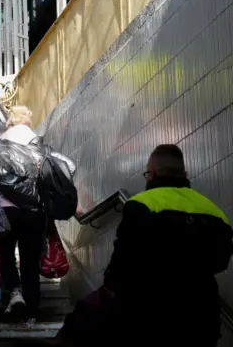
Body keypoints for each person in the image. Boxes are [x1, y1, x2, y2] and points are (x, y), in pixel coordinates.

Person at [60, 145, 233, 347]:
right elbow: (220, 262)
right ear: (184, 174)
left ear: (151, 174)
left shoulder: (141, 204)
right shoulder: (214, 211)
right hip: (201, 315)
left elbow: (122, 265)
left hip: (150, 316)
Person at [0, 106, 75, 321]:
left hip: (6, 212)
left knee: (6, 256)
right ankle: (32, 309)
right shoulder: (42, 149)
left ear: (9, 124)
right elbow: (70, 165)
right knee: (31, 262)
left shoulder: (0, 148)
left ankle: (14, 294)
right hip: (35, 213)